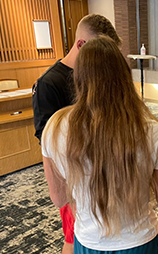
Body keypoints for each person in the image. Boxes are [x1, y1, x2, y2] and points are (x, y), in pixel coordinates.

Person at [41, 35, 158, 253]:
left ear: (78, 78)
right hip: (140, 243)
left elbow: (59, 198)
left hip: (87, 242)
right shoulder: (151, 130)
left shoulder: (55, 128)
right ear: (124, 76)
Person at [32, 14, 121, 254]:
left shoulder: (96, 78)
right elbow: (47, 142)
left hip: (103, 169)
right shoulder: (49, 84)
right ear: (81, 45)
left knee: (106, 233)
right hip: (73, 176)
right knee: (73, 236)